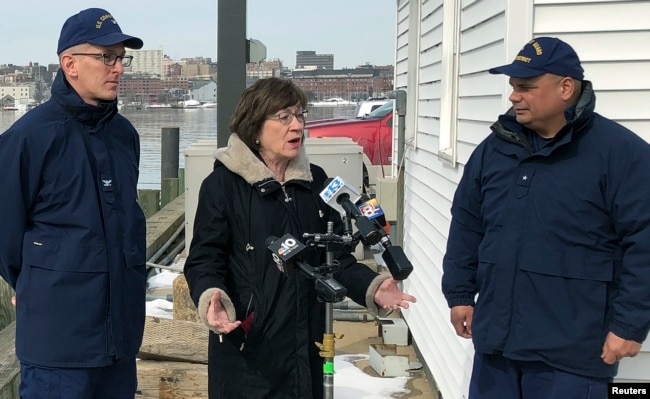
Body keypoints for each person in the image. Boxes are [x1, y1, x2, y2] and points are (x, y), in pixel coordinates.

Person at [441, 36, 650, 399]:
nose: (513, 96)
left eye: (526, 87)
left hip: (572, 356)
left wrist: (629, 326)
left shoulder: (621, 154)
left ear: (566, 88)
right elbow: (467, 223)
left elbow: (645, 244)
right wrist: (460, 292)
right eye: (512, 87)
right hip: (497, 349)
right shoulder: (495, 149)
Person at [183, 77, 416, 399]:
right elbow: (204, 259)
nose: (297, 126)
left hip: (307, 344)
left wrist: (372, 287)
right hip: (250, 346)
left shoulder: (315, 182)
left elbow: (333, 258)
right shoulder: (223, 186)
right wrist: (213, 298)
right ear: (254, 128)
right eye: (284, 117)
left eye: (300, 114)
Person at [0, 8, 147, 398]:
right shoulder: (29, 138)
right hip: (58, 345)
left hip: (120, 341)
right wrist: (36, 282)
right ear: (70, 64)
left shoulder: (125, 135)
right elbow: (4, 232)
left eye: (121, 58)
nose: (118, 68)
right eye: (106, 57)